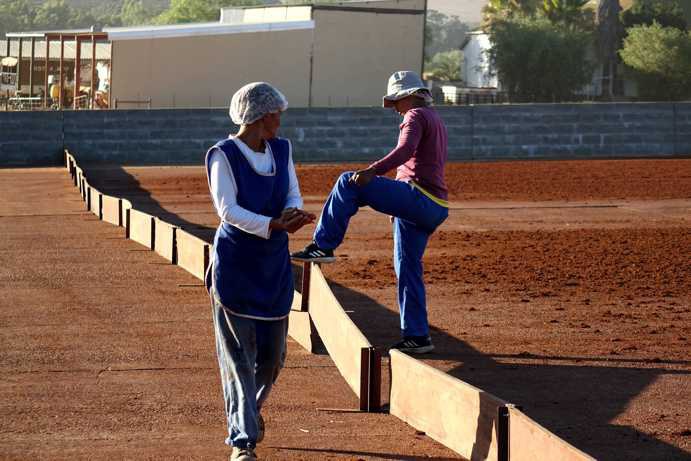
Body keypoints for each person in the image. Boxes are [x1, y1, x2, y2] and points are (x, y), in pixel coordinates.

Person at [291, 70, 449, 355]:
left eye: (397, 101)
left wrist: (373, 170)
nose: (396, 109)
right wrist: (399, 205)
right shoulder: (435, 118)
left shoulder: (414, 116)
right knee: (407, 268)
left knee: (348, 181)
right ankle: (417, 336)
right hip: (432, 205)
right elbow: (418, 161)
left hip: (420, 198)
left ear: (410, 96)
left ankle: (323, 245)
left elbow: (404, 151)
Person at [204, 82, 315, 461]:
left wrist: (291, 213)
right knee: (238, 356)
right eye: (275, 114)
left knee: (272, 357)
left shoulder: (281, 150)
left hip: (273, 268)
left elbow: (292, 192)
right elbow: (228, 211)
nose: (279, 119)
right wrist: (273, 224)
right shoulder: (223, 155)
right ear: (258, 117)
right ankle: (242, 441)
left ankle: (248, 413)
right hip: (237, 266)